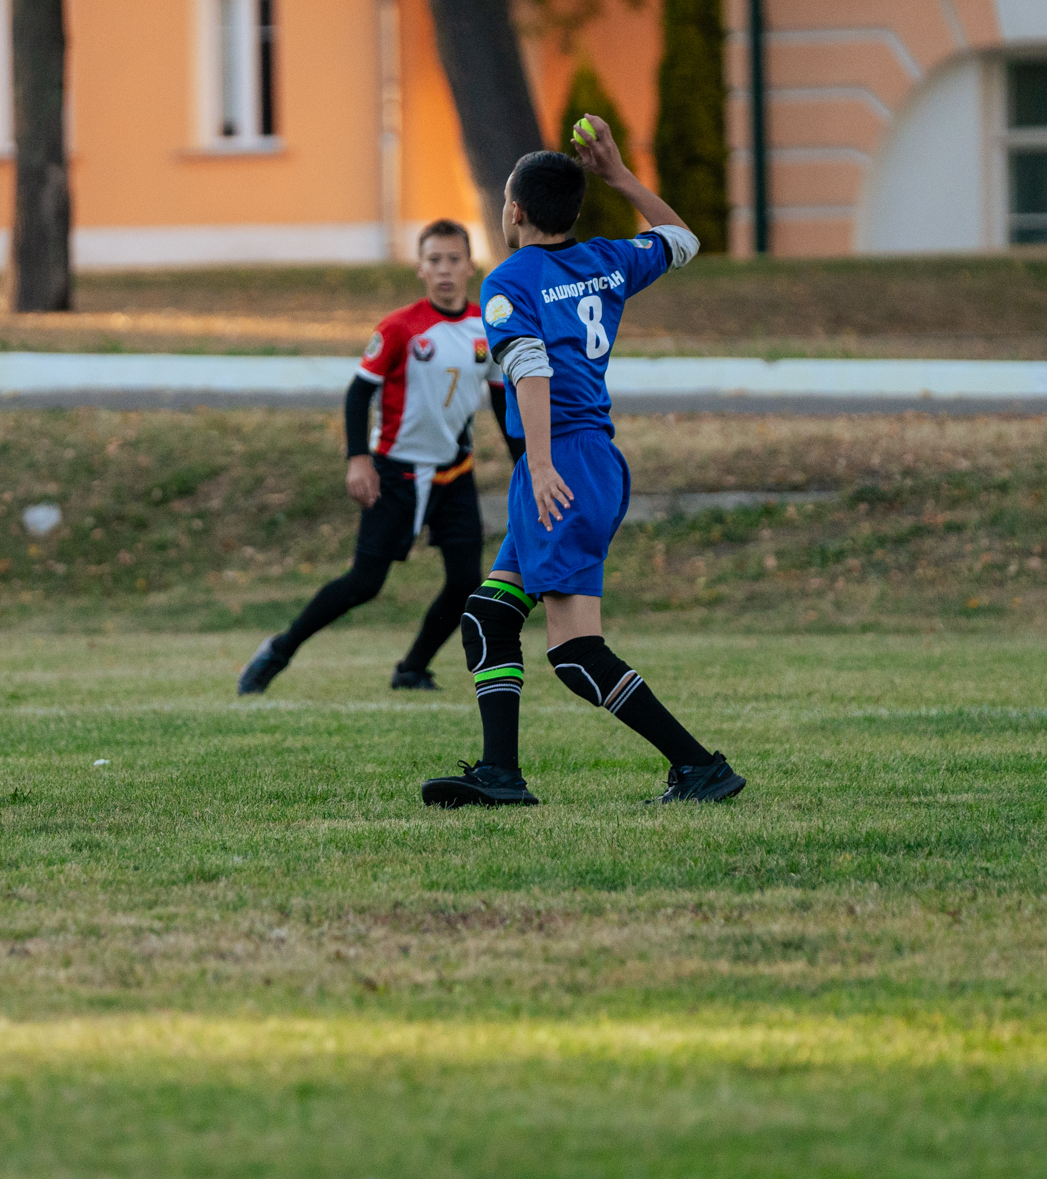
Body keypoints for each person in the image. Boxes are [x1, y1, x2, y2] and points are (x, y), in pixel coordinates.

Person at [424, 125, 745, 807]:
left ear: (514, 211)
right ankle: (501, 775)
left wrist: (537, 466)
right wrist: (621, 176)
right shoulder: (606, 260)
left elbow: (530, 370)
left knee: (574, 650)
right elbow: (682, 240)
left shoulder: (509, 280)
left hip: (562, 462)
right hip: (592, 460)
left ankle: (699, 766)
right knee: (487, 616)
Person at [238, 219, 495, 694]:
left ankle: (412, 668)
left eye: (454, 259)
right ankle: (278, 651)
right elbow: (358, 395)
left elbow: (502, 399)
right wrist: (358, 459)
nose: (444, 270)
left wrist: (528, 464)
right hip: (395, 472)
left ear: (470, 266)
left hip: (455, 474)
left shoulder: (489, 327)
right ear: (420, 267)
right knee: (364, 583)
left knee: (466, 583)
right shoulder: (400, 328)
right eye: (434, 260)